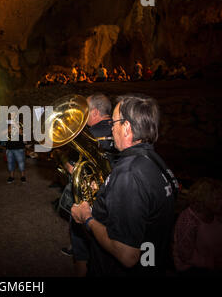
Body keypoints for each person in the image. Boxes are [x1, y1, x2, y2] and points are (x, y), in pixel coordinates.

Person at [71, 93, 178, 276]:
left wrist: (87, 218)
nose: (111, 129)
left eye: (113, 123)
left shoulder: (129, 173)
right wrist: (107, 189)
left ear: (126, 127)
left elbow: (127, 255)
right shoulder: (155, 160)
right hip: (152, 262)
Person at [60, 94, 114, 275]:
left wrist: (64, 161)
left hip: (89, 203)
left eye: (86, 112)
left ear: (95, 112)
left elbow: (73, 169)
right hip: (113, 201)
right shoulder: (120, 130)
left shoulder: (87, 136)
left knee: (81, 249)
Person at [172, 177, 222, 275]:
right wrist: (214, 263)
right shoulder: (189, 220)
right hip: (191, 268)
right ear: (205, 199)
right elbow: (185, 256)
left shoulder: (218, 215)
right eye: (217, 199)